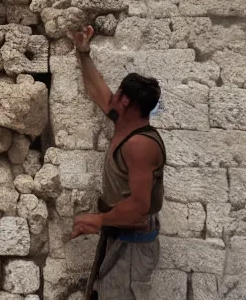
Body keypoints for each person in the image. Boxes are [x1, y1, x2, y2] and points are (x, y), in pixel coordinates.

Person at [68, 25, 166, 300]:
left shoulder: (140, 145)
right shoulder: (123, 121)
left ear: (127, 102)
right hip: (119, 234)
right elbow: (97, 90)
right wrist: (83, 53)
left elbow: (138, 207)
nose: (113, 96)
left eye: (119, 94)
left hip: (133, 247)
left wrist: (98, 219)